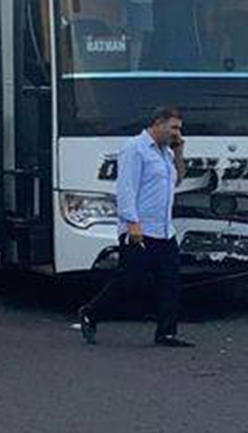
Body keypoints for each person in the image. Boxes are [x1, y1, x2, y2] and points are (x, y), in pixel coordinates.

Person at [78, 107, 193, 347]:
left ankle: (166, 332)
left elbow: (178, 179)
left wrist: (179, 152)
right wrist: (132, 223)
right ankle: (91, 313)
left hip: (164, 230)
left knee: (171, 280)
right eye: (174, 127)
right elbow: (126, 187)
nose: (177, 133)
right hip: (140, 228)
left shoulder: (166, 153)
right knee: (129, 280)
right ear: (158, 123)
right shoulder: (135, 148)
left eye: (179, 129)